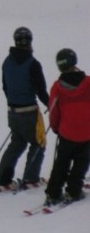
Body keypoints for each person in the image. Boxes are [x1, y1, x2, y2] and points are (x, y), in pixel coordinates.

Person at [0, 27, 49, 191]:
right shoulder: (33, 64)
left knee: (17, 143)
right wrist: (53, 105)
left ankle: (3, 180)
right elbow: (41, 91)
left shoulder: (7, 61)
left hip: (12, 110)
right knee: (38, 142)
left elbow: (5, 86)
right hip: (29, 111)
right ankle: (31, 178)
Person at [45, 49, 90, 205]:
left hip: (67, 131)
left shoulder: (57, 87)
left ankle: (53, 192)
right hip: (87, 131)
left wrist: (55, 127)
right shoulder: (88, 82)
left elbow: (53, 110)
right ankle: (74, 190)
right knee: (81, 162)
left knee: (61, 163)